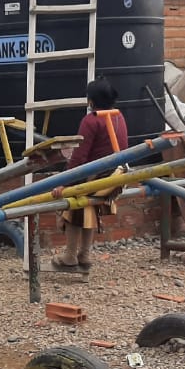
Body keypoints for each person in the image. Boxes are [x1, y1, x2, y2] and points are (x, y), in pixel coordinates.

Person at [52, 78, 129, 273]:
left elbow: (79, 157)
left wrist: (64, 183)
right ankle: (84, 254)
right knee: (88, 205)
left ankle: (70, 255)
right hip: (118, 176)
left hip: (98, 176)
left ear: (91, 101)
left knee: (74, 200)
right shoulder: (118, 116)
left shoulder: (91, 120)